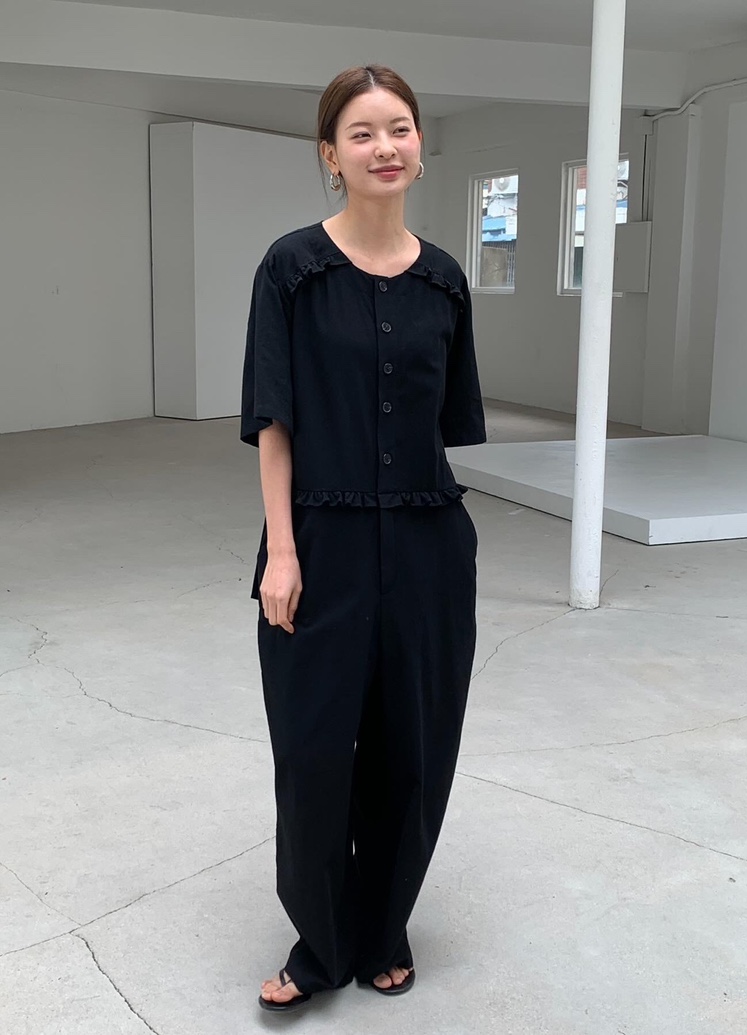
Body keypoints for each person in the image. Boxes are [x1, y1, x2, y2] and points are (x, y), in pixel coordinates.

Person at [240, 64, 486, 1012]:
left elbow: (444, 424)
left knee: (410, 752)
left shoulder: (444, 279)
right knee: (311, 752)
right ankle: (320, 942)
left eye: (400, 128)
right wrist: (283, 550)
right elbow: (274, 420)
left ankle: (383, 927)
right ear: (329, 155)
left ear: (420, 146)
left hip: (427, 548)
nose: (385, 146)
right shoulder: (291, 268)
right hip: (318, 542)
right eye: (361, 132)